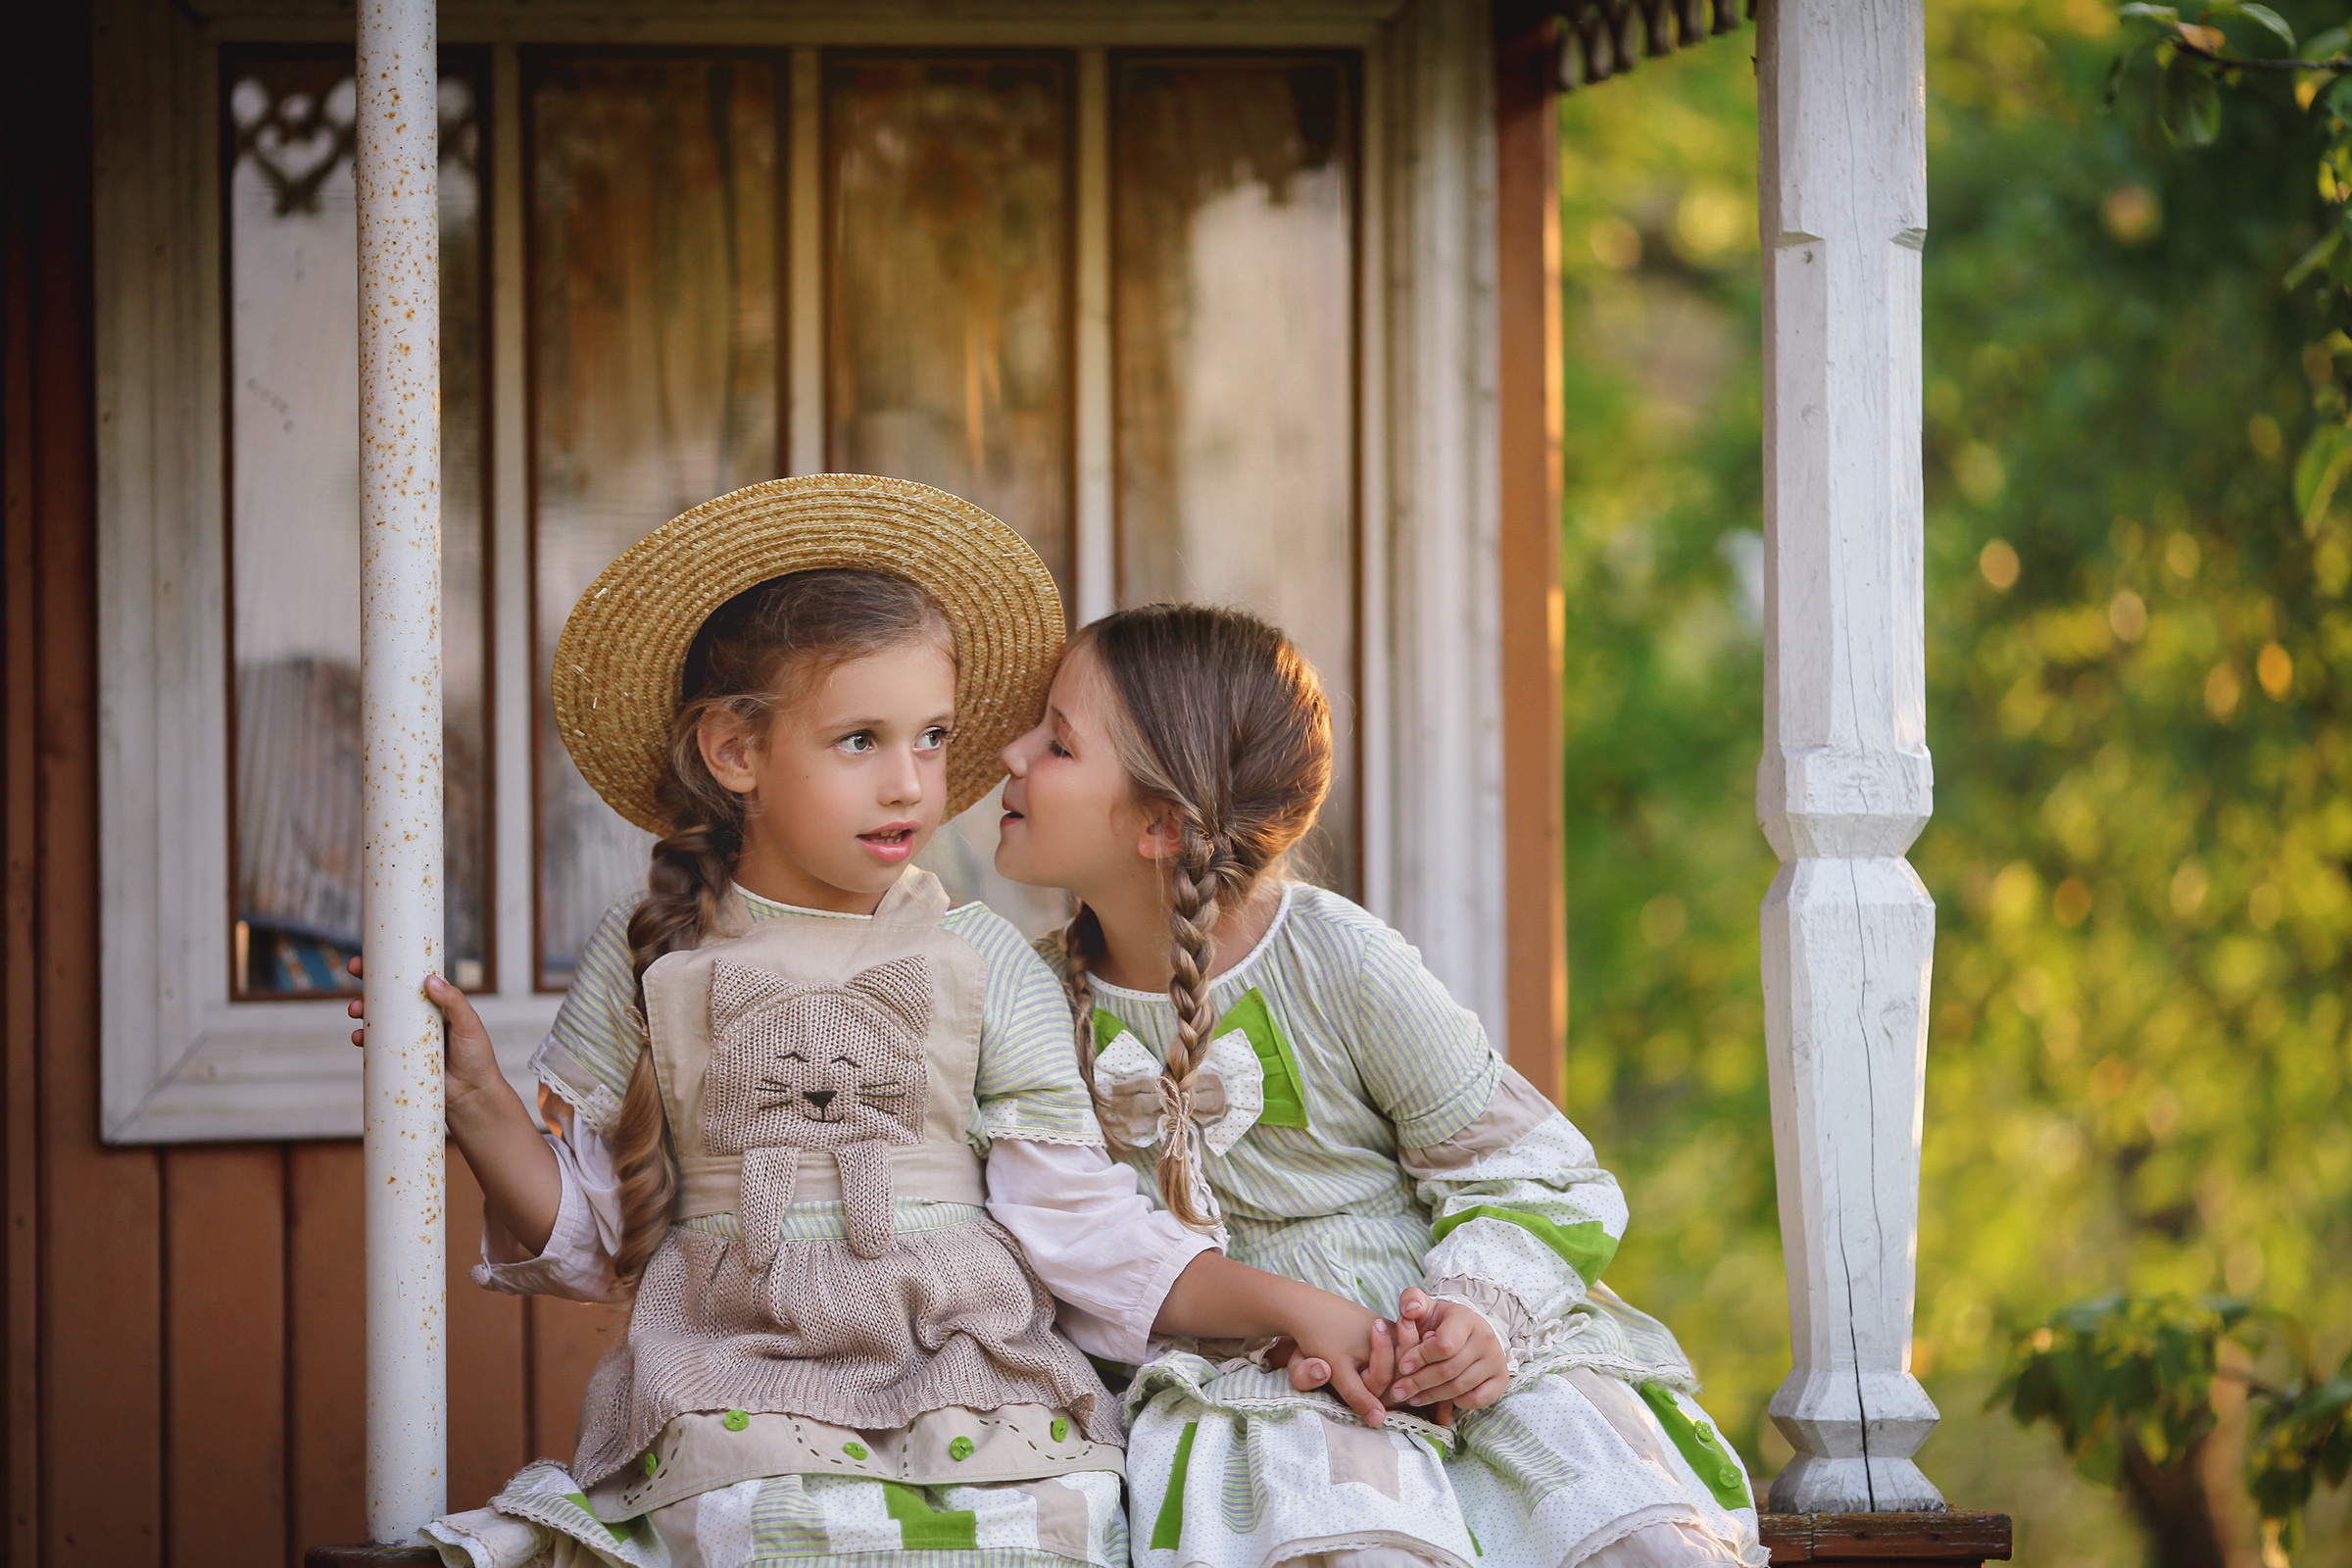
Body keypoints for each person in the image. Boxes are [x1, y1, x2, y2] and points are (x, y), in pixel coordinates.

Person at [366, 477, 1398, 1568]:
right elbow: (592, 1243)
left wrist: (1290, 1303)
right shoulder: (659, 954)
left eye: (934, 737)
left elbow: (1083, 1232)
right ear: (736, 752)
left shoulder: (983, 960)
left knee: (1053, 1526)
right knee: (768, 1522)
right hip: (737, 1377)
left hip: (969, 1376)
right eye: (860, 739)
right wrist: (478, 1106)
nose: (911, 783)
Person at [992, 603, 1768, 1568]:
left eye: (1056, 743)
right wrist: (1285, 1313)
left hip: (1432, 1341)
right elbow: (1076, 1241)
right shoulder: (1027, 995)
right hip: (1244, 1378)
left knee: (1628, 1539)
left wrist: (1475, 1316)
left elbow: (1534, 1168)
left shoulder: (1337, 961)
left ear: (1160, 823)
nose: (1011, 754)